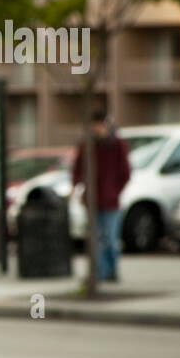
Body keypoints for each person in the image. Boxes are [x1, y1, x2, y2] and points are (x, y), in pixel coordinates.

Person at [71, 108, 132, 281]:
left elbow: (125, 172)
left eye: (100, 125)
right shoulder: (87, 144)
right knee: (95, 239)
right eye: (94, 125)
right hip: (92, 200)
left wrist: (115, 190)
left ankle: (112, 270)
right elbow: (78, 168)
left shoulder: (117, 144)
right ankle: (99, 273)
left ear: (106, 125)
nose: (97, 129)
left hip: (111, 201)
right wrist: (75, 186)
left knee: (110, 239)